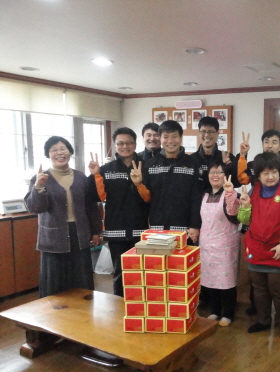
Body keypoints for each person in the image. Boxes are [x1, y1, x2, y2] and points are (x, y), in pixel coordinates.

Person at [238, 152, 280, 342]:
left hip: (279, 251)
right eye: (265, 173)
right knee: (259, 290)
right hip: (256, 249)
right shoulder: (253, 191)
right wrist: (244, 206)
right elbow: (245, 220)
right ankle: (263, 320)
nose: (270, 176)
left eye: (274, 172)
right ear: (258, 175)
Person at [25, 136, 102, 297]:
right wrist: (38, 187)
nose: (59, 153)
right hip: (53, 239)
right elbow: (35, 208)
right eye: (54, 150)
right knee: (55, 285)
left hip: (80, 235)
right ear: (48, 154)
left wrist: (96, 231)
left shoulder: (80, 177)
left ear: (70, 152)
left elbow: (91, 206)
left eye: (63, 149)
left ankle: (82, 312)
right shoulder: (40, 178)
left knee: (81, 282)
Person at [88, 127, 150, 297]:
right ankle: (120, 306)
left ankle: (140, 307)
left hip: (141, 230)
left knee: (142, 272)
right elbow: (99, 197)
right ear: (115, 146)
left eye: (129, 143)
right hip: (116, 230)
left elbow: (149, 198)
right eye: (120, 143)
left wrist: (139, 184)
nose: (125, 146)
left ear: (135, 144)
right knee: (120, 273)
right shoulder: (106, 169)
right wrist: (96, 175)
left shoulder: (145, 167)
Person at [130, 120, 202, 244]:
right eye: (166, 137)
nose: (170, 141)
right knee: (159, 257)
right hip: (157, 228)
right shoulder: (150, 165)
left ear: (181, 138)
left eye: (174, 136)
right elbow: (145, 199)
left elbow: (197, 198)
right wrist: (138, 184)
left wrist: (195, 225)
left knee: (184, 257)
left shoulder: (192, 163)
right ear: (160, 138)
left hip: (186, 229)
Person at [200, 159, 241, 326]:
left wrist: (230, 194)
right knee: (210, 279)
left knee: (226, 280)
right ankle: (215, 310)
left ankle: (228, 313)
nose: (215, 175)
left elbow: (234, 214)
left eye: (219, 172)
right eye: (212, 172)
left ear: (226, 175)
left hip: (225, 244)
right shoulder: (204, 194)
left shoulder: (232, 194)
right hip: (206, 244)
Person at [190, 116, 239, 190]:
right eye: (203, 131)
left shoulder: (227, 157)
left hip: (222, 197)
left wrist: (228, 168)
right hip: (197, 197)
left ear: (217, 133)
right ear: (199, 133)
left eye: (210, 131)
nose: (206, 135)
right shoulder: (191, 159)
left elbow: (237, 183)